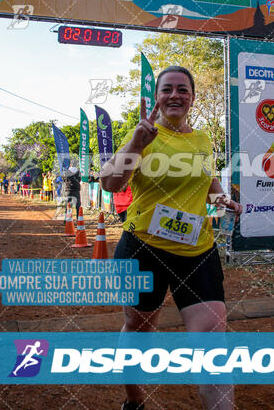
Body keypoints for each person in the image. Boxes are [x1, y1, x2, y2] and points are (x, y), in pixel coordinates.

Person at [101, 66, 242, 410]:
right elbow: (110, 183)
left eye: (183, 89)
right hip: (143, 248)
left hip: (197, 251)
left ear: (193, 97)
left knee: (211, 340)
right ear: (158, 98)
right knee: (138, 327)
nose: (175, 95)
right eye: (167, 89)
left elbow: (207, 184)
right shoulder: (143, 136)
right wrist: (136, 143)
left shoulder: (202, 139)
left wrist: (224, 200)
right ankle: (134, 399)